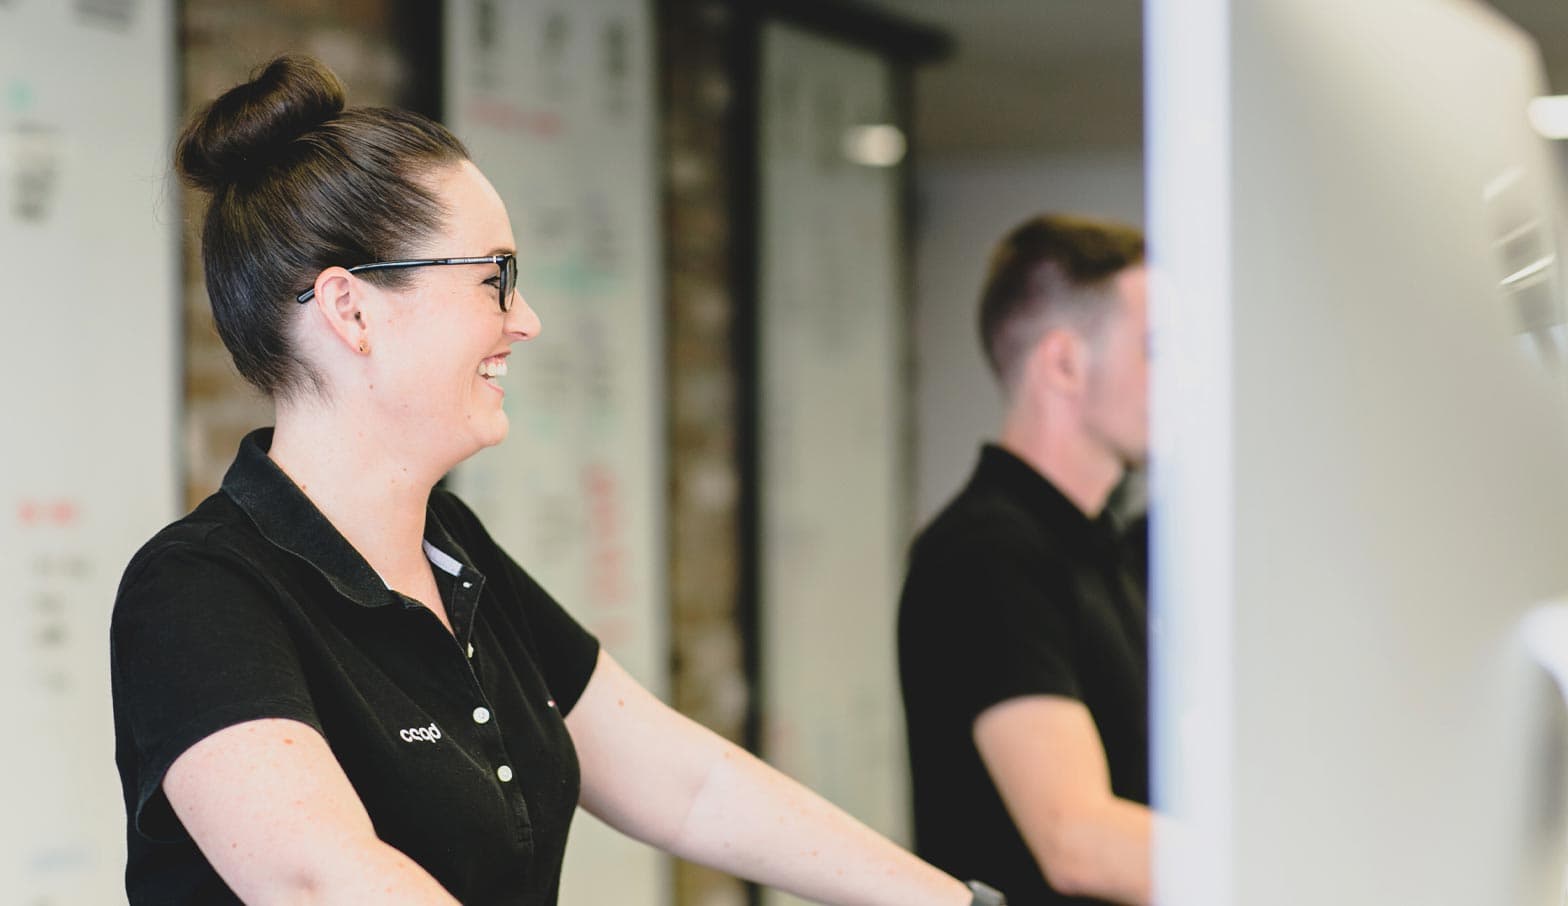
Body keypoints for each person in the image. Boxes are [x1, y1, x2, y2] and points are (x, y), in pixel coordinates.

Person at [110, 55, 1006, 906]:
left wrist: (952, 898)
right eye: (495, 279)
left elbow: (689, 787)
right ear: (352, 309)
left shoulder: (454, 552)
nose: (525, 321)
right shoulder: (199, 592)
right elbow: (321, 878)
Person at [897, 215, 1152, 905]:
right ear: (1064, 363)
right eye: (1156, 349)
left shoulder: (1105, 550)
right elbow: (1078, 839)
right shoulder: (986, 555)